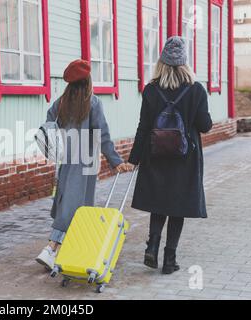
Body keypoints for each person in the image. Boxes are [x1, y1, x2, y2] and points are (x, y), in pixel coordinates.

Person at [36, 59, 132, 270]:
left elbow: (49, 125)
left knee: (68, 203)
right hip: (85, 164)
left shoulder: (61, 103)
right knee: (74, 206)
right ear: (88, 81)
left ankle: (65, 251)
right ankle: (51, 248)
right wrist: (115, 161)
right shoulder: (93, 103)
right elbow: (102, 135)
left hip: (66, 162)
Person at [128, 36, 213, 274]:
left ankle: (152, 247)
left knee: (159, 201)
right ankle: (169, 260)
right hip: (185, 158)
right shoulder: (196, 90)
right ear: (185, 62)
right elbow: (204, 125)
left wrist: (134, 158)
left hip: (155, 154)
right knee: (179, 205)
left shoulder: (151, 90)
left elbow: (143, 126)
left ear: (162, 63)